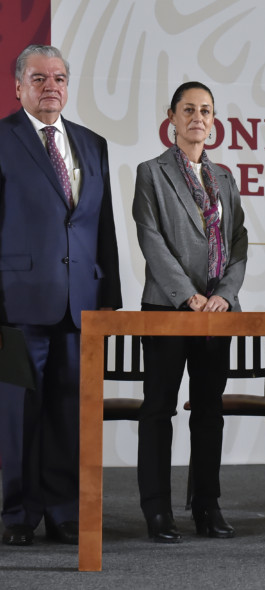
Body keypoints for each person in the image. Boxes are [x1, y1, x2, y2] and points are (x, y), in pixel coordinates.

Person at [0, 45, 122, 547]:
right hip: (17, 301)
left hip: (81, 304)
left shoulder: (92, 143)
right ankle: (17, 513)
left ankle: (65, 511)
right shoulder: (3, 138)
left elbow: (102, 226)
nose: (51, 85)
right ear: (18, 87)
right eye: (38, 77)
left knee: (72, 412)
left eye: (59, 77)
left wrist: (109, 294)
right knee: (19, 413)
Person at [132, 81, 248, 543]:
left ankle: (207, 505)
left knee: (208, 411)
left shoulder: (224, 178)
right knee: (158, 409)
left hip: (217, 310)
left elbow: (238, 242)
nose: (197, 118)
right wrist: (188, 296)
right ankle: (157, 510)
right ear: (172, 117)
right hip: (168, 307)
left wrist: (225, 293)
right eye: (188, 110)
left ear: (214, 121)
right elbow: (150, 238)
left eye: (206, 111)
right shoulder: (151, 172)